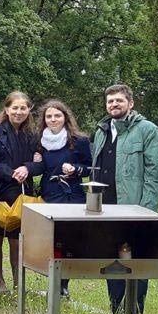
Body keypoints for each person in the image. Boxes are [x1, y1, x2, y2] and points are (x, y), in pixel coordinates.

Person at [91, 84, 158, 314]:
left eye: (119, 101)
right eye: (110, 101)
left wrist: (147, 212)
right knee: (111, 261)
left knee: (136, 261)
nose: (114, 104)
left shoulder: (148, 131)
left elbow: (155, 175)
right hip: (105, 208)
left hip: (135, 209)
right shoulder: (102, 131)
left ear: (130, 104)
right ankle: (116, 313)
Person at [0, 92, 42, 295]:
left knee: (17, 239)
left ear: (28, 110)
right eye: (15, 108)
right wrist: (10, 173)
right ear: (7, 109)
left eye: (23, 108)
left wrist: (28, 167)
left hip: (23, 192)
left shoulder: (33, 136)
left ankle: (18, 281)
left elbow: (42, 163)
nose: (19, 112)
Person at [36, 99, 92, 299]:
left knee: (67, 241)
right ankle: (53, 281)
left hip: (71, 195)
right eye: (49, 116)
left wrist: (75, 169)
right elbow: (40, 168)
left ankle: (63, 285)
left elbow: (89, 166)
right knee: (50, 241)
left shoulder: (79, 140)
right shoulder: (40, 141)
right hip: (49, 194)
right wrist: (34, 162)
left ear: (65, 117)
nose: (53, 120)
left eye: (57, 116)